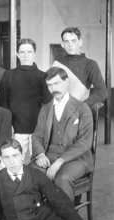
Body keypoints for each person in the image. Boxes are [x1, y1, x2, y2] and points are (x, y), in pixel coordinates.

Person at [31, 67, 93, 201]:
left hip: (77, 159)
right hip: (49, 155)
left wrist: (60, 160)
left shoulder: (82, 108)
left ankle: (67, 219)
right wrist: (40, 154)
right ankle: (38, 217)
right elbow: (37, 136)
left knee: (62, 178)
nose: (54, 89)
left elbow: (85, 142)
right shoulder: (45, 108)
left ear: (66, 82)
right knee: (29, 173)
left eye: (57, 83)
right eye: (50, 85)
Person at [0, 38, 52, 162]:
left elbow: (48, 104)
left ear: (35, 54)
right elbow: (3, 103)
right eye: (22, 52)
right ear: (17, 54)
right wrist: (9, 125)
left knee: (38, 163)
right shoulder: (8, 75)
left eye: (29, 52)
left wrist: (42, 127)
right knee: (14, 162)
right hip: (16, 129)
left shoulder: (43, 76)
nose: (26, 55)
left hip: (37, 130)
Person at [53, 27, 108, 107]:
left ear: (80, 42)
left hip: (78, 112)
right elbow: (49, 88)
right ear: (62, 44)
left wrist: (82, 107)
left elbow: (102, 92)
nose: (70, 45)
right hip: (58, 109)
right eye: (66, 41)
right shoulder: (57, 63)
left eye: (73, 41)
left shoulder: (90, 64)